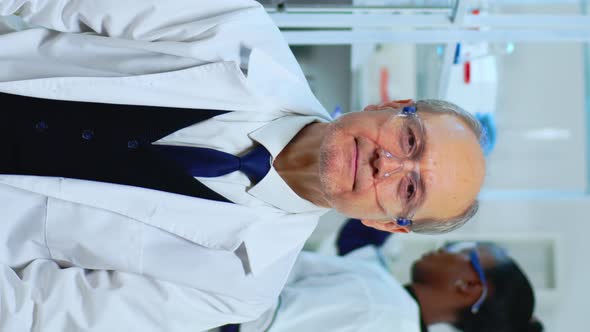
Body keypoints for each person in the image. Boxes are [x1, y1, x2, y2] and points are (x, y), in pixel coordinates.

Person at [0, 1, 485, 330]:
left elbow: (40, 313)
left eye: (409, 191)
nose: (390, 164)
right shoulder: (237, 28)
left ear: (384, 223)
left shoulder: (239, 288)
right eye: (409, 138)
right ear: (390, 105)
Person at [229, 220, 542, 332]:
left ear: (469, 286)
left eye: (463, 252)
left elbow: (249, 322)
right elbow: (356, 243)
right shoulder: (392, 306)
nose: (447, 248)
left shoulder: (380, 306)